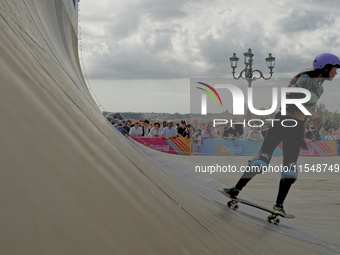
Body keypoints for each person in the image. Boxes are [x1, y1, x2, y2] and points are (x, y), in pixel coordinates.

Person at [223, 53, 340, 215]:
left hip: (297, 126)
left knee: (290, 169)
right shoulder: (305, 78)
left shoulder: (320, 88)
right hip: (282, 120)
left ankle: (279, 205)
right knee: (261, 160)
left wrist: (303, 131)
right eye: (335, 69)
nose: (336, 72)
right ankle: (235, 189)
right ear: (326, 67)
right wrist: (311, 113)